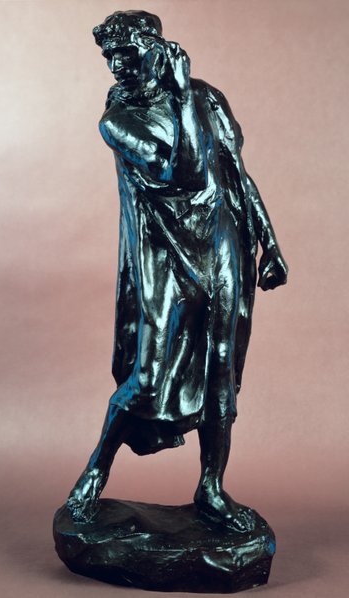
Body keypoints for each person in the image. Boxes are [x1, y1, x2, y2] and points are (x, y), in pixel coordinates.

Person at [67, 10, 288, 533]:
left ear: (156, 49)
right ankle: (95, 471)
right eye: (110, 57)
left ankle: (211, 488)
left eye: (127, 53)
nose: (116, 66)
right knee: (148, 377)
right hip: (164, 256)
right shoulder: (119, 119)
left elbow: (234, 172)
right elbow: (181, 172)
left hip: (222, 246)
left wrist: (270, 242)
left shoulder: (208, 98)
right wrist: (183, 94)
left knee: (221, 369)